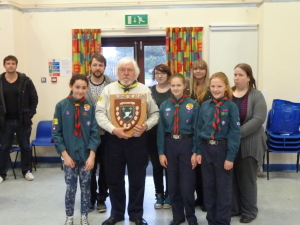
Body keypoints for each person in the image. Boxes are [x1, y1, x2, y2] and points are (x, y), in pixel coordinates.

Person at [95, 57, 159, 225]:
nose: (126, 73)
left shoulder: (144, 90)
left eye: (129, 70)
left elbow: (155, 114)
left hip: (137, 142)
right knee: (114, 178)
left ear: (136, 72)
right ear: (117, 72)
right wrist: (113, 129)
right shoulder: (108, 90)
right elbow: (99, 114)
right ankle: (116, 213)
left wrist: (145, 125)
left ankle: (136, 214)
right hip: (113, 140)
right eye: (122, 70)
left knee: (137, 179)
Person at [52, 74, 101, 225]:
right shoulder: (61, 106)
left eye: (84, 88)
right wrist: (64, 155)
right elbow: (56, 132)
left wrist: (92, 155)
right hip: (69, 156)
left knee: (86, 188)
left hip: (86, 156)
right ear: (71, 86)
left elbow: (94, 132)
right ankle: (69, 217)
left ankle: (84, 216)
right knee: (71, 188)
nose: (80, 91)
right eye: (77, 87)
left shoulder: (89, 107)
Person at [197, 72, 240, 225]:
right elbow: (199, 129)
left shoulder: (231, 107)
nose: (216, 89)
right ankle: (211, 221)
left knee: (223, 189)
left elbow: (235, 133)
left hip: (222, 150)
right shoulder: (205, 106)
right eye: (213, 86)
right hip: (206, 148)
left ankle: (222, 222)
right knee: (208, 187)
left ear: (226, 87)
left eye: (219, 86)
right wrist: (198, 151)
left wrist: (230, 157)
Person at [157, 73, 199, 225]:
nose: (175, 88)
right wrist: (161, 153)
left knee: (187, 185)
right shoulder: (165, 106)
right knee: (173, 184)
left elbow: (196, 130)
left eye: (178, 85)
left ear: (184, 86)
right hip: (170, 145)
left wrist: (195, 151)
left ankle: (191, 217)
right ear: (170, 86)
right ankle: (178, 217)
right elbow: (161, 131)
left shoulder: (193, 105)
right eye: (173, 85)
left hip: (186, 145)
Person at [231, 63, 267, 223]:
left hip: (250, 144)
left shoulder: (256, 95)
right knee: (231, 178)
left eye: (240, 75)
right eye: (235, 75)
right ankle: (235, 208)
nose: (236, 78)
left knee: (247, 180)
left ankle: (249, 211)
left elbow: (258, 119)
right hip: (231, 146)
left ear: (249, 78)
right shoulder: (228, 93)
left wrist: (236, 134)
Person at [0, 55, 38, 183]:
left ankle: (26, 171)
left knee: (25, 147)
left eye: (13, 63)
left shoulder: (25, 81)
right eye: (8, 63)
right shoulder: (0, 81)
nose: (10, 65)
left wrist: (29, 114)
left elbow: (34, 98)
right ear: (4, 65)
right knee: (4, 147)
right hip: (5, 122)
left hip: (23, 121)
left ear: (16, 65)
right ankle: (1, 174)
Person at [85, 53, 114, 213]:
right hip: (88, 134)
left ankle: (102, 198)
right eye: (95, 65)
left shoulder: (111, 84)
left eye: (101, 65)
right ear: (90, 66)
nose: (98, 68)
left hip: (107, 134)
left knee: (105, 168)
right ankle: (90, 198)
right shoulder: (83, 83)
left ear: (104, 67)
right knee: (89, 167)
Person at [188, 59, 212, 211]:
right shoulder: (188, 88)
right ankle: (198, 197)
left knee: (204, 169)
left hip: (205, 131)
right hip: (190, 131)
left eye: (201, 69)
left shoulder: (211, 88)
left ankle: (205, 199)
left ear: (205, 71)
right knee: (194, 169)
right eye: (195, 69)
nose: (198, 71)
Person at [147, 64, 172, 209]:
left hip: (169, 135)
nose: (160, 76)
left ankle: (169, 195)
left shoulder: (173, 90)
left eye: (163, 73)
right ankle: (159, 195)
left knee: (169, 166)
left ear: (168, 75)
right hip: (152, 134)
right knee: (156, 166)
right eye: (157, 73)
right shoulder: (149, 91)